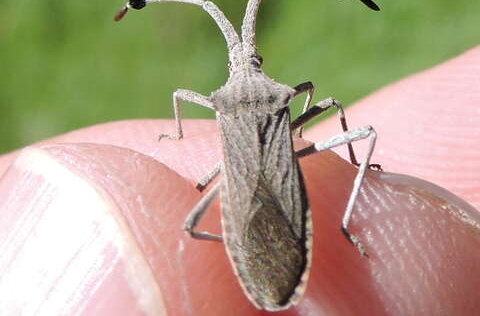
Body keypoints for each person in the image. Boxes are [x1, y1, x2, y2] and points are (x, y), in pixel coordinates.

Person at [0, 48, 479, 315]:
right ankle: (346, 226)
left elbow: (177, 95)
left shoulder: (215, 101)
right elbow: (316, 97)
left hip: (236, 178)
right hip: (282, 166)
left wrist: (184, 136)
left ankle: (242, 253)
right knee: (351, 122)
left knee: (188, 225)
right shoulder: (286, 95)